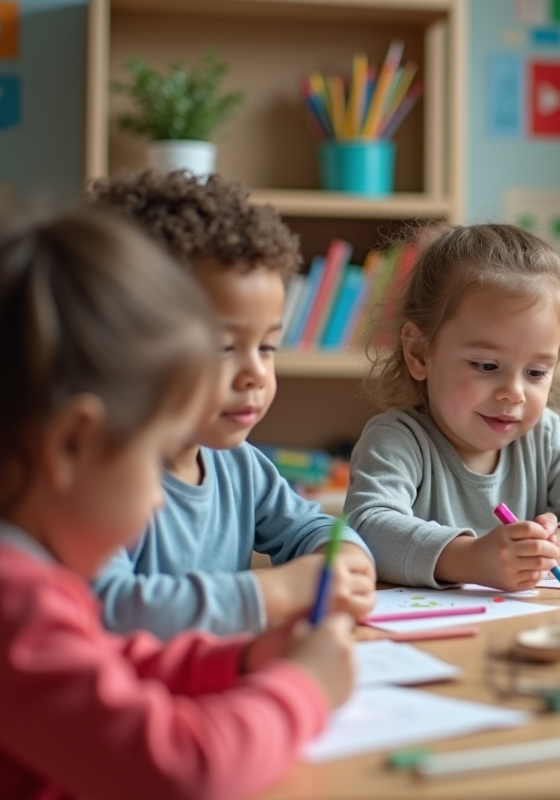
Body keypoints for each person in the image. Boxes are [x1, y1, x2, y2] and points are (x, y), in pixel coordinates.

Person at [0, 211, 355, 800]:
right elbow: (182, 767)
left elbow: (108, 664)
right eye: (155, 453)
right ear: (70, 445)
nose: (157, 492)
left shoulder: (30, 582)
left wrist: (242, 661)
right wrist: (304, 688)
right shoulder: (15, 605)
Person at [87, 170, 375, 637]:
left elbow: (309, 530)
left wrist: (343, 560)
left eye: (266, 347)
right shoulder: (101, 480)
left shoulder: (240, 467)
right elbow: (112, 608)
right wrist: (277, 592)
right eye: (224, 347)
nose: (255, 375)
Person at [345, 224, 560, 591]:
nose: (514, 393)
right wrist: (472, 559)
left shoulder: (543, 437)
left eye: (536, 372)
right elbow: (367, 529)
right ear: (419, 352)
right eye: (487, 366)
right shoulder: (398, 440)